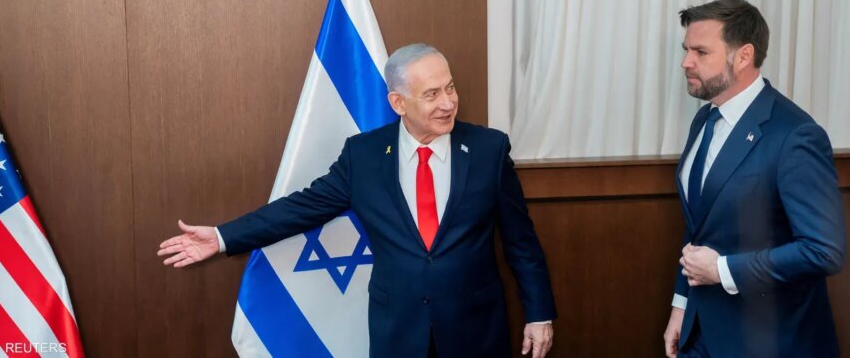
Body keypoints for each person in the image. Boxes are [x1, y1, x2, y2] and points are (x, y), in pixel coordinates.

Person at [158, 43, 557, 357]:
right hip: (398, 332)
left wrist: (539, 313)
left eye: (450, 87)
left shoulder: (488, 149)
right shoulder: (364, 156)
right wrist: (222, 237)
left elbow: (522, 242)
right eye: (432, 94)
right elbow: (300, 208)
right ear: (398, 103)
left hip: (476, 329)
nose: (448, 103)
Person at [662, 0, 845, 357]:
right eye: (686, 50)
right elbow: (701, 224)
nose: (686, 62)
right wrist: (681, 305)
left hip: (768, 340)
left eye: (701, 52)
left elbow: (824, 251)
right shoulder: (705, 119)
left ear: (743, 56)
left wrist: (722, 270)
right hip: (699, 331)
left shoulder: (796, 135)